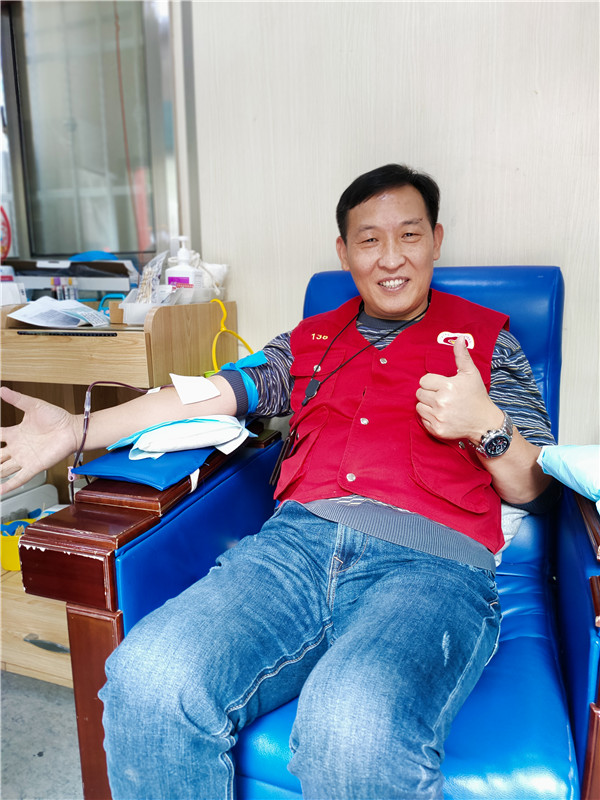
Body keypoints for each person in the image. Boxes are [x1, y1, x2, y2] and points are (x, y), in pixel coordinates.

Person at [0, 164, 557, 799]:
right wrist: (77, 429)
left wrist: (486, 425)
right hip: (294, 551)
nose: (391, 258)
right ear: (344, 252)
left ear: (436, 240)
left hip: (432, 566)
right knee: (149, 677)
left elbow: (535, 490)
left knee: (352, 729)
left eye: (409, 235)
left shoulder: (487, 342)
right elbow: (205, 396)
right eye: (369, 240)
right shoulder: (308, 341)